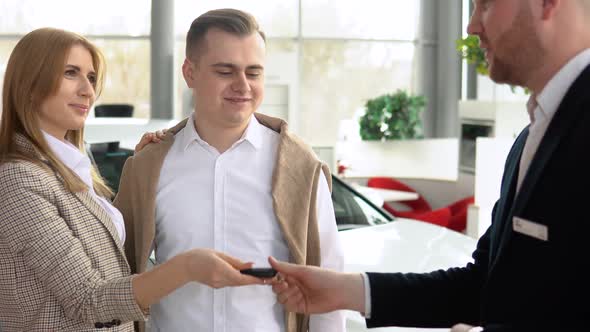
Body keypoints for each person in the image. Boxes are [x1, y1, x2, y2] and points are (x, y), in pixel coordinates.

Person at [270, 0, 590, 331]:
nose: (472, 26)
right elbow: (485, 285)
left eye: (487, 5)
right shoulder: (531, 137)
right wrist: (347, 291)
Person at [0, 28, 263, 332]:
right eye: (71, 73)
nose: (88, 90)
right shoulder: (19, 180)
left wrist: (143, 169)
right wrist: (189, 267)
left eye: (91, 77)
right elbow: (89, 301)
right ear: (30, 85)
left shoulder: (70, 172)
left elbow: (106, 254)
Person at [114, 8, 345, 332]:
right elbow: (118, 279)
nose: (243, 85)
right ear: (189, 72)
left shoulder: (300, 168)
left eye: (254, 72)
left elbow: (328, 283)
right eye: (226, 71)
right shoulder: (147, 168)